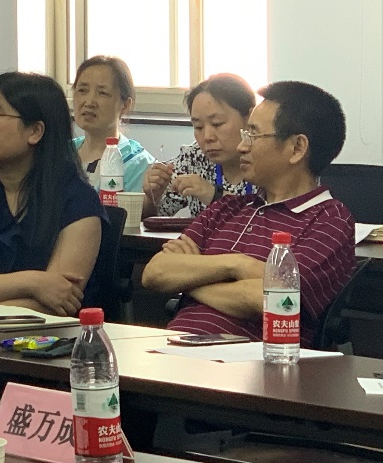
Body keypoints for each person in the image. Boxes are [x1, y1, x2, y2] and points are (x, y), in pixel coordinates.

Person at [142, 81, 354, 347]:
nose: (242, 146)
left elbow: (272, 299)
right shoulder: (227, 208)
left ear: (297, 148)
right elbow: (155, 273)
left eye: (253, 135)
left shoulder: (329, 220)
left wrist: (189, 280)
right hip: (172, 352)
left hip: (253, 363)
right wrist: (237, 265)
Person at [0, 72, 104, 316]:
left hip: (50, 336)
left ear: (35, 131)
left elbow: (58, 302)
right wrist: (33, 282)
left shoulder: (79, 203)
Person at [142, 74, 257, 218]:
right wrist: (152, 197)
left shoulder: (268, 160)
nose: (207, 137)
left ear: (250, 118)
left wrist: (213, 196)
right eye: (198, 127)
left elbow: (270, 222)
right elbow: (153, 216)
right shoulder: (193, 158)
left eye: (217, 124)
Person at [72, 56, 154, 192]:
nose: (89, 102)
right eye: (82, 90)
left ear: (125, 105)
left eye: (102, 93)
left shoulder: (139, 164)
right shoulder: (61, 153)